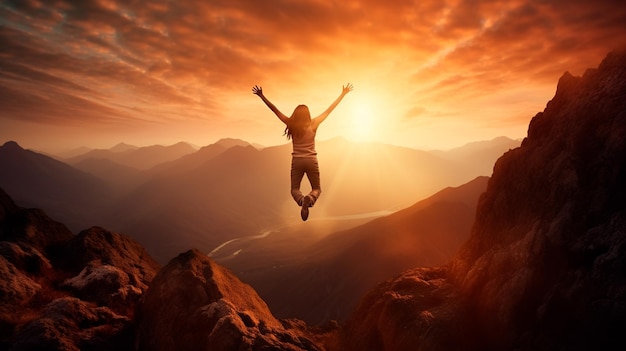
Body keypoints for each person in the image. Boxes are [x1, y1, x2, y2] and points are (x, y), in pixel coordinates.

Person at [252, 83, 353, 221]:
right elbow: (329, 110)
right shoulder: (314, 124)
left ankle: (301, 200)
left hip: (297, 161)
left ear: (295, 114)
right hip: (312, 160)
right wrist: (343, 94)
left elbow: (275, 110)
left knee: (294, 190)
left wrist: (261, 95)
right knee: (317, 189)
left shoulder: (291, 124)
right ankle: (310, 198)